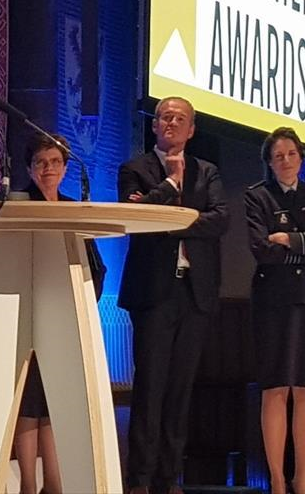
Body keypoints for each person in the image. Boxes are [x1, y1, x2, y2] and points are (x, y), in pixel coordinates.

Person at [117, 96, 229, 494]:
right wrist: (168, 187)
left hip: (194, 292)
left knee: (181, 389)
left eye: (180, 119)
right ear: (154, 125)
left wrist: (169, 221)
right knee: (150, 387)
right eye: (165, 117)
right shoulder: (135, 169)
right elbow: (136, 219)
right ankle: (140, 479)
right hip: (153, 293)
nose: (172, 123)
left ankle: (169, 478)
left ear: (192, 129)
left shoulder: (207, 171)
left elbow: (220, 220)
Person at [243, 126, 305, 494]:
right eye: (278, 156)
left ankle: (302, 480)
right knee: (276, 387)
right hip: (273, 299)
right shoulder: (257, 196)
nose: (285, 161)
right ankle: (278, 481)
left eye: (291, 154)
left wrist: (288, 239)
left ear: (301, 157)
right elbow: (261, 249)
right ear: (269, 162)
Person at [14, 132, 106, 494]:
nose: (48, 168)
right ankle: (27, 484)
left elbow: (96, 267)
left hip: (67, 321)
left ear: (66, 168)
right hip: (27, 317)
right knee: (28, 403)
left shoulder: (73, 208)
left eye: (55, 162)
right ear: (29, 169)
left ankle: (53, 484)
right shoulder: (20, 206)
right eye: (40, 162)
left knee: (54, 403)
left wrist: (83, 306)